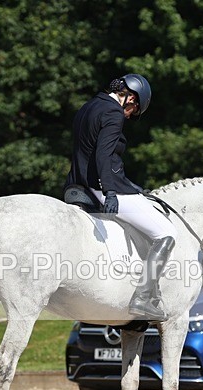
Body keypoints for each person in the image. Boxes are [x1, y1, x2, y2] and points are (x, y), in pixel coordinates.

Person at [64, 74, 178, 321]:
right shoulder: (113, 113)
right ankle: (143, 298)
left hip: (77, 183)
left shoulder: (89, 106)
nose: (130, 114)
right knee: (167, 233)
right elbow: (103, 156)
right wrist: (111, 191)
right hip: (102, 186)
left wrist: (131, 185)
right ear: (131, 97)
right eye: (134, 109)